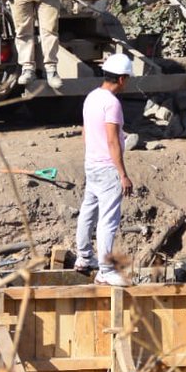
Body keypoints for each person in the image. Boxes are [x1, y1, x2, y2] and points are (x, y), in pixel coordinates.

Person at [75, 53, 134, 287]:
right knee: (108, 220)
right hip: (108, 168)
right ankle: (106, 271)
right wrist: (123, 174)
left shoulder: (92, 97)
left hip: (91, 164)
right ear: (121, 79)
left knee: (88, 211)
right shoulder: (112, 103)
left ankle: (83, 257)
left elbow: (86, 132)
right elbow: (112, 141)